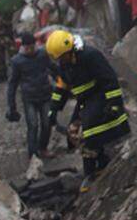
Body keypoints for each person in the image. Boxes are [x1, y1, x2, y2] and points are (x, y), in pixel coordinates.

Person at [46, 30, 130, 186]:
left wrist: (114, 105)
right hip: (84, 101)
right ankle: (93, 169)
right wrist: (53, 109)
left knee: (90, 132)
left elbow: (109, 79)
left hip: (99, 97)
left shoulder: (90, 56)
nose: (60, 61)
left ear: (69, 50)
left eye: (61, 57)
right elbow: (61, 87)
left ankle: (98, 168)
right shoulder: (65, 64)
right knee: (74, 131)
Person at [6, 32, 53, 161]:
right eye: (27, 48)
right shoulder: (17, 61)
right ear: (23, 47)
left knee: (47, 122)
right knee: (33, 125)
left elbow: (53, 68)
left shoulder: (42, 55)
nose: (30, 50)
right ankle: (33, 153)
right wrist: (11, 105)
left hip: (45, 94)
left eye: (32, 47)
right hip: (29, 98)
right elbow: (12, 84)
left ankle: (43, 148)